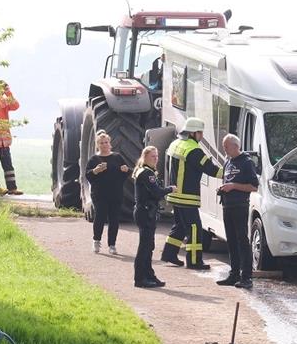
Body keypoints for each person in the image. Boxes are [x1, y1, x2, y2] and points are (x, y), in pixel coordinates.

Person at [160, 117, 223, 269]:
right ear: (194, 133)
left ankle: (169, 254)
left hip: (175, 194)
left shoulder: (175, 144)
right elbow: (210, 168)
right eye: (200, 133)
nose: (201, 136)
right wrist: (230, 174)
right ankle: (194, 261)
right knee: (195, 228)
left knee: (180, 226)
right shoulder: (193, 150)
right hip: (187, 196)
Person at [216, 134, 259, 289]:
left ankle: (246, 277)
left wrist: (233, 186)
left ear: (235, 146)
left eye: (226, 146)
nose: (224, 149)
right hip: (227, 205)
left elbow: (254, 186)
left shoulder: (247, 163)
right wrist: (223, 189)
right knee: (231, 241)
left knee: (242, 240)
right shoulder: (227, 161)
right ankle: (234, 274)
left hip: (240, 206)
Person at [132, 146, 176, 288]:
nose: (156, 159)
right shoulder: (146, 173)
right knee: (145, 247)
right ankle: (140, 278)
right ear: (145, 157)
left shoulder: (147, 172)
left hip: (146, 212)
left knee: (149, 246)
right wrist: (170, 189)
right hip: (145, 212)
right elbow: (157, 193)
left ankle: (149, 275)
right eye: (153, 156)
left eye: (157, 156)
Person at [85, 130, 130, 254]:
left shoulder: (117, 157)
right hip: (99, 194)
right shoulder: (94, 159)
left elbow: (127, 173)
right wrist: (95, 171)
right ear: (98, 145)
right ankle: (96, 241)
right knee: (100, 217)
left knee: (114, 219)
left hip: (115, 193)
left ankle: (112, 244)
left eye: (106, 142)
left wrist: (125, 170)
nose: (104, 145)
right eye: (101, 143)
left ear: (110, 143)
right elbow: (87, 175)